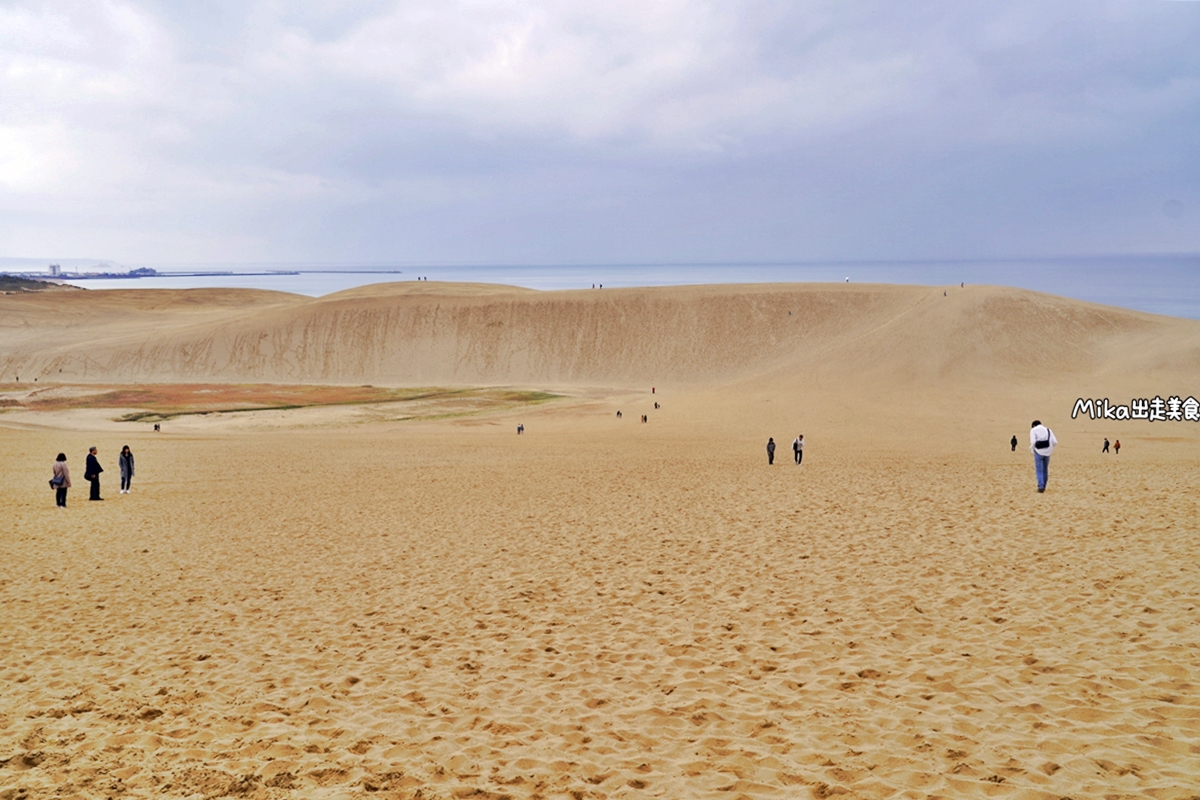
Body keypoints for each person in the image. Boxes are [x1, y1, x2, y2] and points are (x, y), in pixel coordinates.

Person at [1028, 420, 1057, 493]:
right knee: (1045, 470)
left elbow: (1033, 442)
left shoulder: (1033, 430)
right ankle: (1044, 485)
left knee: (1039, 470)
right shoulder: (1048, 430)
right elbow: (1054, 442)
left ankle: (1040, 486)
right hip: (1048, 453)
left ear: (1034, 425)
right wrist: (1049, 449)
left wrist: (1031, 449)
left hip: (1038, 452)